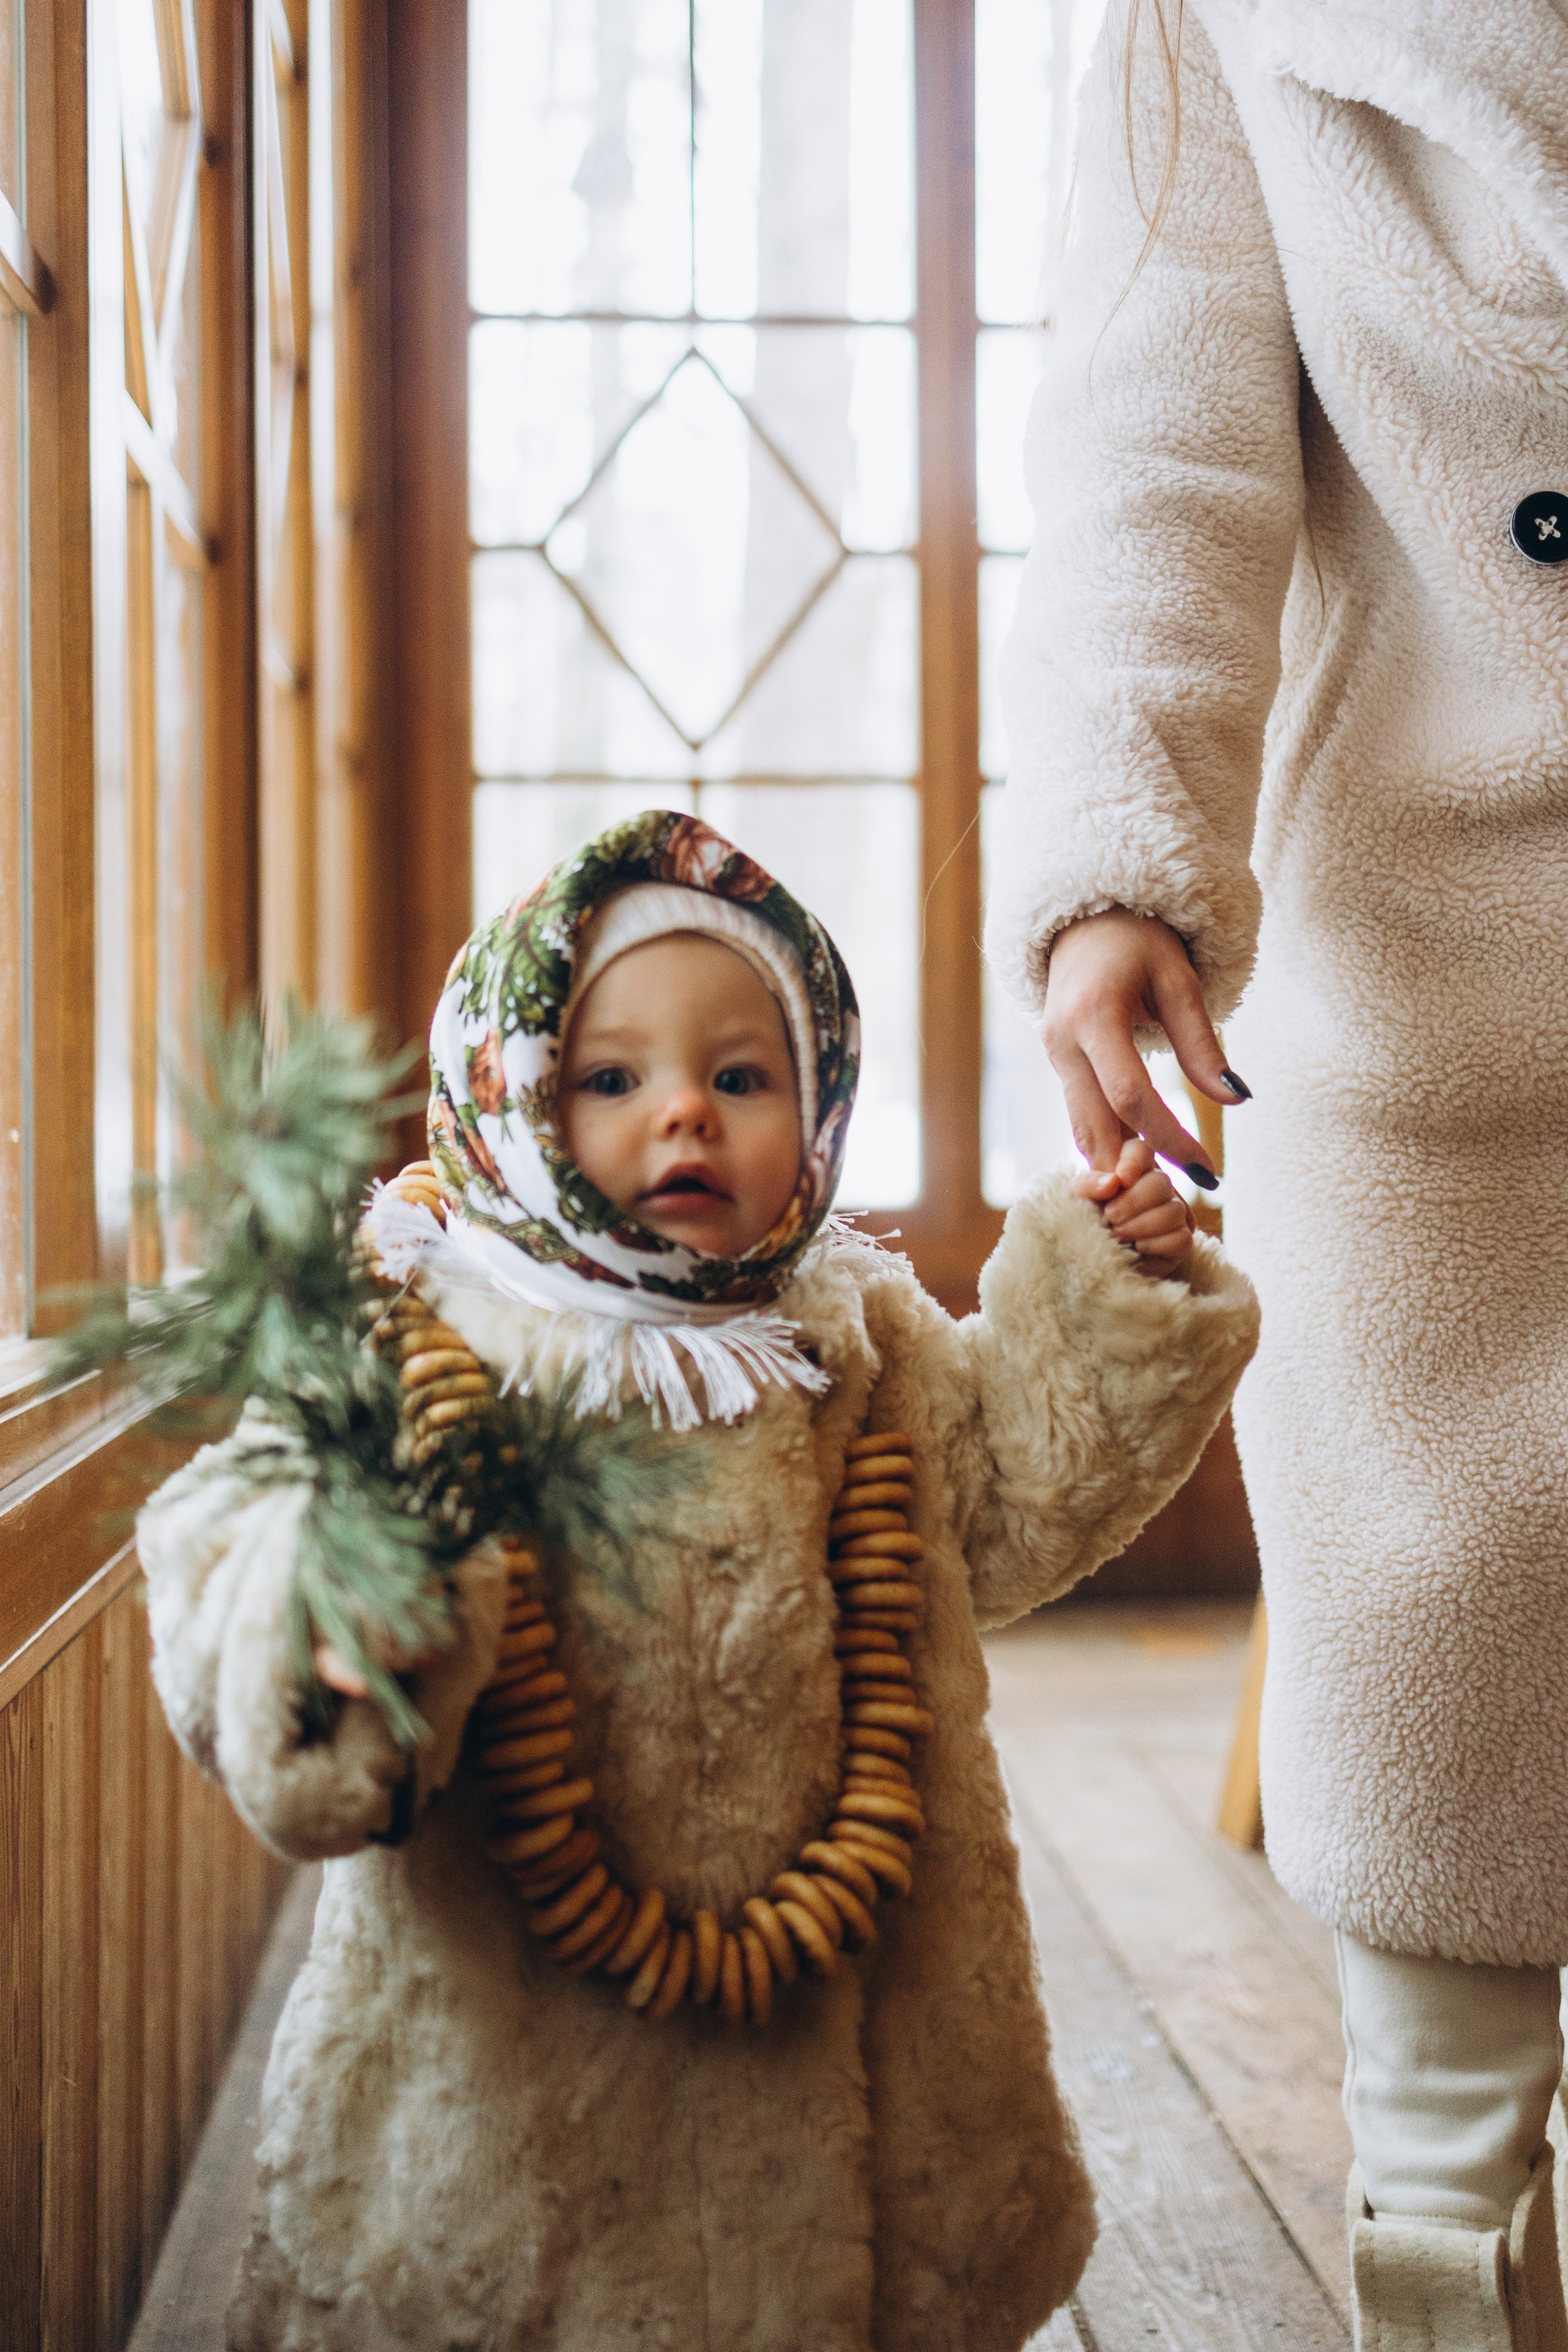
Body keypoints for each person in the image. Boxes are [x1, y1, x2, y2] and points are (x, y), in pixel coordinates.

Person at [138, 810, 1257, 2351]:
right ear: (510, 1099)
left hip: (876, 2078)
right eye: (610, 1080)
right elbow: (228, 1527)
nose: (684, 1116)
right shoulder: (413, 1335)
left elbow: (1006, 1497)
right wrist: (323, 1622)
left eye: (741, 1077)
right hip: (505, 2112)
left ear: (815, 1106)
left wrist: (1111, 1293)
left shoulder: (849, 1331)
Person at [984, 1, 1568, 2343]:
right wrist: (1126, 859)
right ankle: (1439, 2245)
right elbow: (1158, 448)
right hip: (1428, 949)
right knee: (1435, 1618)